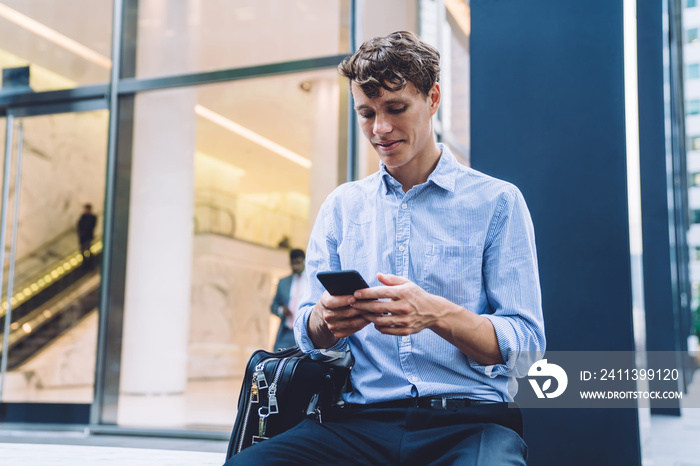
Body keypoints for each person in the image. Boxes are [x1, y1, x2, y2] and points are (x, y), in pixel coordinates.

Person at [227, 31, 545, 465]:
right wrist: (325, 319)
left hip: (468, 422)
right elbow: (307, 329)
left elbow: (526, 347)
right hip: (357, 422)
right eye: (366, 113)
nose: (380, 128)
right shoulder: (342, 206)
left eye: (396, 109)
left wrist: (434, 313)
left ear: (432, 99)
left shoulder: (497, 202)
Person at [270, 249, 307, 351]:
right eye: (293, 264)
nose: (295, 266)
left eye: (298, 263)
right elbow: (273, 306)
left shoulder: (311, 281)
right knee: (277, 360)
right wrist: (282, 310)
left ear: (305, 261)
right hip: (285, 332)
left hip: (304, 333)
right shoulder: (283, 282)